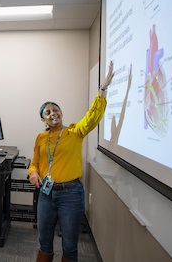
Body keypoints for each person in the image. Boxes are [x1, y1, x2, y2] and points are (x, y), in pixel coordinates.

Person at [29, 61, 115, 262]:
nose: (53, 114)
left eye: (55, 110)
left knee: (69, 246)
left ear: (61, 113)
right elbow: (34, 163)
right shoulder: (41, 138)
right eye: (47, 112)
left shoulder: (75, 132)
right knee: (44, 242)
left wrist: (102, 89)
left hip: (70, 195)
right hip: (46, 195)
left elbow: (92, 117)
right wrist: (33, 173)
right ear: (44, 120)